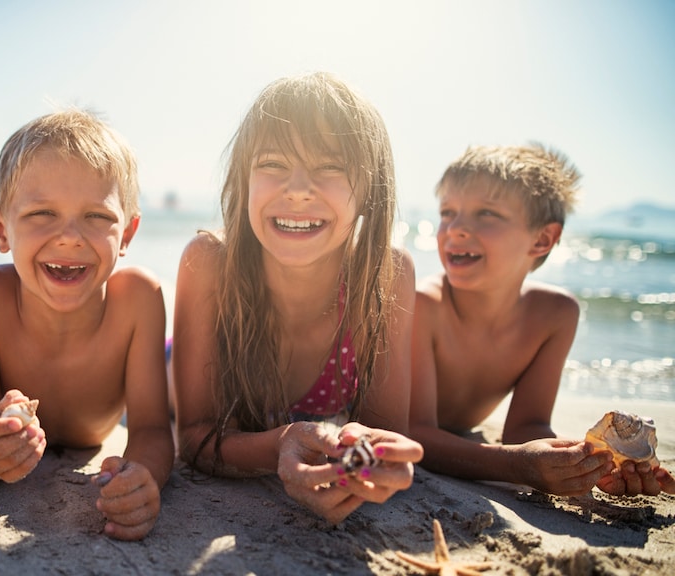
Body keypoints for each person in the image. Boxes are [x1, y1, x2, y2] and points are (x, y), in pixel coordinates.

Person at [172, 72, 423, 525]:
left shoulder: (384, 276)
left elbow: (384, 433)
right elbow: (193, 438)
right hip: (174, 362)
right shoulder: (210, 263)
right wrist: (279, 444)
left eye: (331, 167)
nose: (298, 188)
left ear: (370, 190)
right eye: (272, 163)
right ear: (243, 179)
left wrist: (361, 461)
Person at [0, 109, 173, 541]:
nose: (70, 236)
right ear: (0, 229)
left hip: (98, 428)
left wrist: (143, 474)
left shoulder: (138, 299)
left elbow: (151, 430)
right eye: (42, 213)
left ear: (127, 233)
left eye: (97, 216)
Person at [409, 143, 675, 497]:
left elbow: (525, 429)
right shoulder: (422, 305)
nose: (454, 228)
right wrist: (515, 465)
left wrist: (598, 462)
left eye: (486, 213)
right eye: (447, 212)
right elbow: (413, 432)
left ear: (543, 239)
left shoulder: (555, 316)